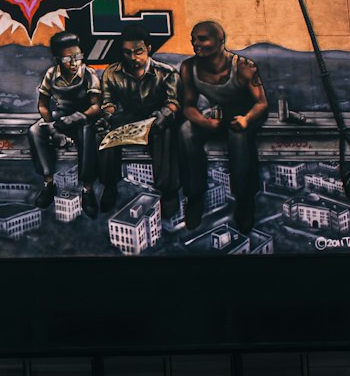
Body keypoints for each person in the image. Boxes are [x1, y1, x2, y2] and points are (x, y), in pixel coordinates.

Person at [178, 20, 269, 234]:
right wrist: (204, 122)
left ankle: (244, 201)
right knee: (185, 131)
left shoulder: (244, 67)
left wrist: (246, 119)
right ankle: (194, 196)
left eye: (202, 39)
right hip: (218, 115)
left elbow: (261, 104)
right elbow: (188, 106)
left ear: (220, 41)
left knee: (238, 137)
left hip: (245, 117)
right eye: (193, 40)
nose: (195, 44)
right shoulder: (188, 67)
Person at [96, 24, 181, 216]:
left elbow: (173, 103)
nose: (133, 58)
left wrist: (164, 115)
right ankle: (109, 185)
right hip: (131, 116)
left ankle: (168, 192)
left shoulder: (166, 72)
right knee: (105, 132)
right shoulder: (112, 73)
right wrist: (107, 116)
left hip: (158, 117)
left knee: (166, 132)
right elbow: (109, 103)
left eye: (138, 51)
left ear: (148, 49)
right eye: (127, 52)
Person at [27, 30, 104, 218]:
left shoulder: (88, 74)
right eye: (68, 58)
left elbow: (96, 106)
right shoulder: (51, 74)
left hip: (83, 117)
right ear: (57, 58)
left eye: (77, 57)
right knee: (35, 130)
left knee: (88, 133)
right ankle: (48, 183)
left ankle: (87, 189)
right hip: (60, 116)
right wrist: (52, 126)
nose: (73, 62)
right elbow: (43, 105)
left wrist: (77, 117)